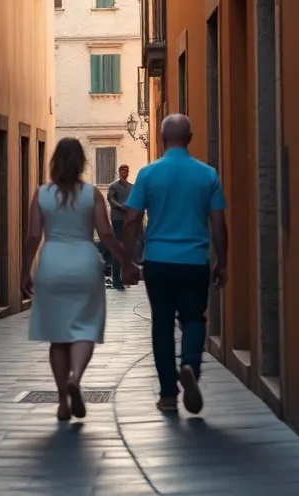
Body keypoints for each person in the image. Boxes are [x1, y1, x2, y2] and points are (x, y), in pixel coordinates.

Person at [21, 138, 139, 421]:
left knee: (58, 338)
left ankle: (63, 400)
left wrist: (25, 270)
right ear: (81, 164)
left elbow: (34, 236)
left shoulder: (42, 195)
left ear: (54, 162)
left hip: (51, 265)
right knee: (85, 329)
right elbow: (107, 234)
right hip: (85, 263)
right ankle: (75, 378)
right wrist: (126, 261)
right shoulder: (92, 195)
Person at [120, 114, 228, 415]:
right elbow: (218, 223)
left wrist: (127, 261)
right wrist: (222, 262)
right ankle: (190, 365)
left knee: (163, 325)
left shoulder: (148, 174)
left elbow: (130, 219)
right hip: (195, 261)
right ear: (190, 138)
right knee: (194, 319)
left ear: (162, 138)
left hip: (159, 263)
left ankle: (168, 394)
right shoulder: (208, 175)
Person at [105, 165, 134, 290]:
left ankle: (124, 278)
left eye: (127, 170)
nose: (125, 172)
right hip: (117, 220)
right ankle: (116, 280)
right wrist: (122, 207)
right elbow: (111, 199)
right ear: (119, 172)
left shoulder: (131, 187)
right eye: (122, 170)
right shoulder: (113, 186)